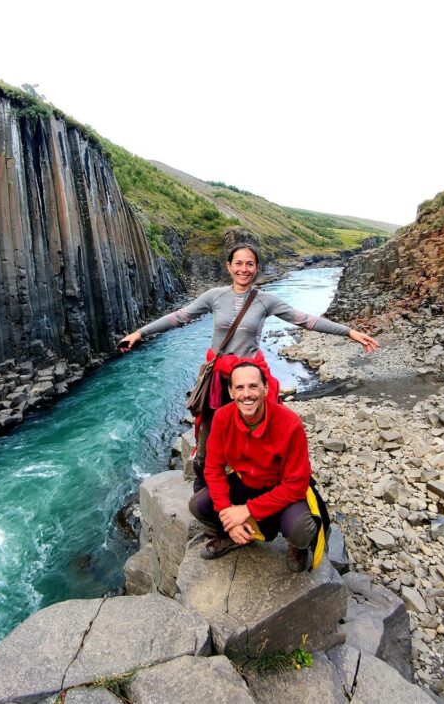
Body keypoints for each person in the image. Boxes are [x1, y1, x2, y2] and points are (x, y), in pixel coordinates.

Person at [118, 244, 378, 486]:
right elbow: (179, 317)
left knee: (256, 435)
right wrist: (141, 333)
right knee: (208, 438)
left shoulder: (266, 300)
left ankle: (254, 486)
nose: (244, 269)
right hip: (219, 378)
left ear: (256, 268)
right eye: (239, 263)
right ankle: (205, 493)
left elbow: (304, 320)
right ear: (228, 266)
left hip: (249, 379)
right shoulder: (214, 296)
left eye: (250, 264)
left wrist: (349, 332)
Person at [187, 361, 320, 572]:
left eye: (253, 386)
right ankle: (233, 535)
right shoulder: (222, 418)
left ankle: (297, 547)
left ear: (266, 389)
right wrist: (229, 515)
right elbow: (213, 469)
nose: (246, 394)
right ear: (230, 392)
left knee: (300, 529)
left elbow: (296, 484)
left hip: (282, 489)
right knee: (198, 505)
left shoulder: (290, 423)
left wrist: (247, 510)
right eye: (239, 387)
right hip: (247, 482)